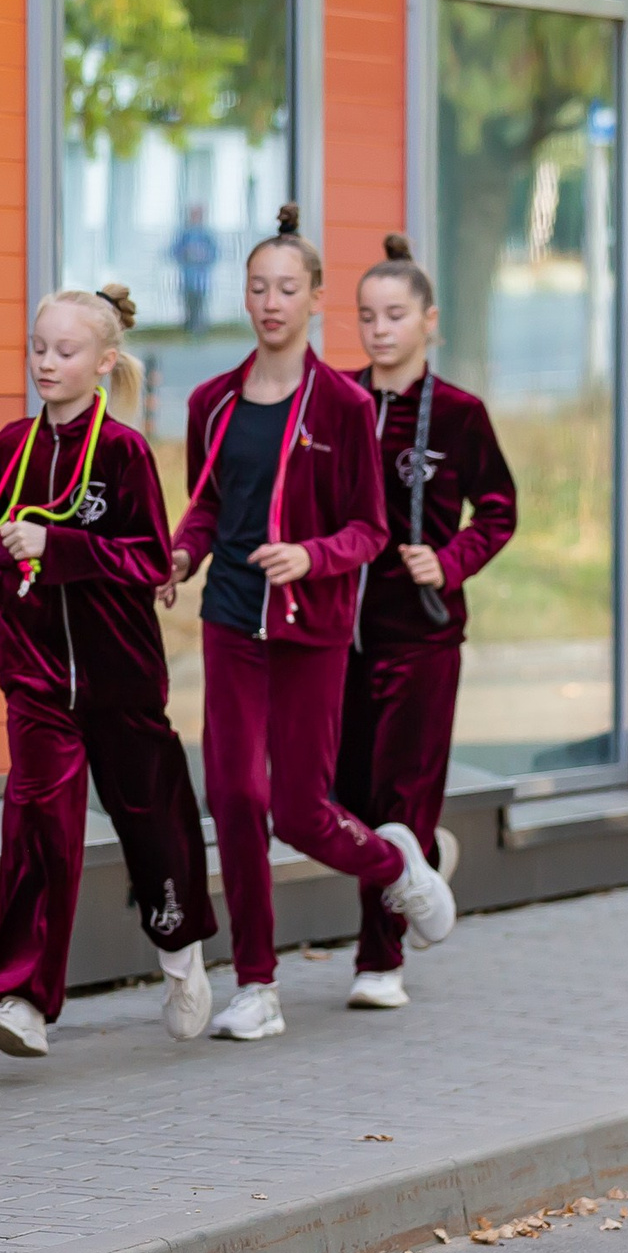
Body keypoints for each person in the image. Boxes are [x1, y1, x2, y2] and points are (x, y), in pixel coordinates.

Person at [167, 204, 456, 1042]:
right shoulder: (212, 401)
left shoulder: (342, 405)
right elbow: (209, 504)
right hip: (231, 621)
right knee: (235, 797)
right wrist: (183, 555)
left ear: (316, 299)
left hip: (310, 629)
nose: (271, 303)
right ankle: (256, 984)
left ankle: (398, 864)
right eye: (258, 287)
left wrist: (310, 555)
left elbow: (370, 528)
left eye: (287, 289)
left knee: (298, 809)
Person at [0, 285, 221, 1057]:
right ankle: (22, 999)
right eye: (38, 347)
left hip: (122, 678)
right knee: (38, 822)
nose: (46, 362)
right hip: (36, 675)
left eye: (65, 351)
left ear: (104, 361)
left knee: (154, 822)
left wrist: (60, 547)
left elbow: (149, 559)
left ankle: (181, 953)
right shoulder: (12, 445)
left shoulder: (124, 452)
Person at [337, 234, 517, 1010]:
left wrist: (450, 560)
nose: (379, 329)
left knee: (398, 795)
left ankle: (379, 963)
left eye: (395, 315)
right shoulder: (336, 403)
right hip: (338, 634)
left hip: (422, 635)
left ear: (428, 322)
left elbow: (500, 508)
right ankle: (427, 858)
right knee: (339, 795)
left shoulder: (460, 415)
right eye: (367, 315)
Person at [171, 207, 219, 334]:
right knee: (188, 304)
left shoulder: (207, 235)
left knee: (200, 304)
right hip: (187, 279)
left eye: (198, 215)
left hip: (202, 280)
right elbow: (174, 252)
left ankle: (199, 328)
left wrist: (203, 255)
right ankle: (189, 327)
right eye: (193, 215)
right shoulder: (184, 234)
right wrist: (186, 253)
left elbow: (215, 254)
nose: (196, 218)